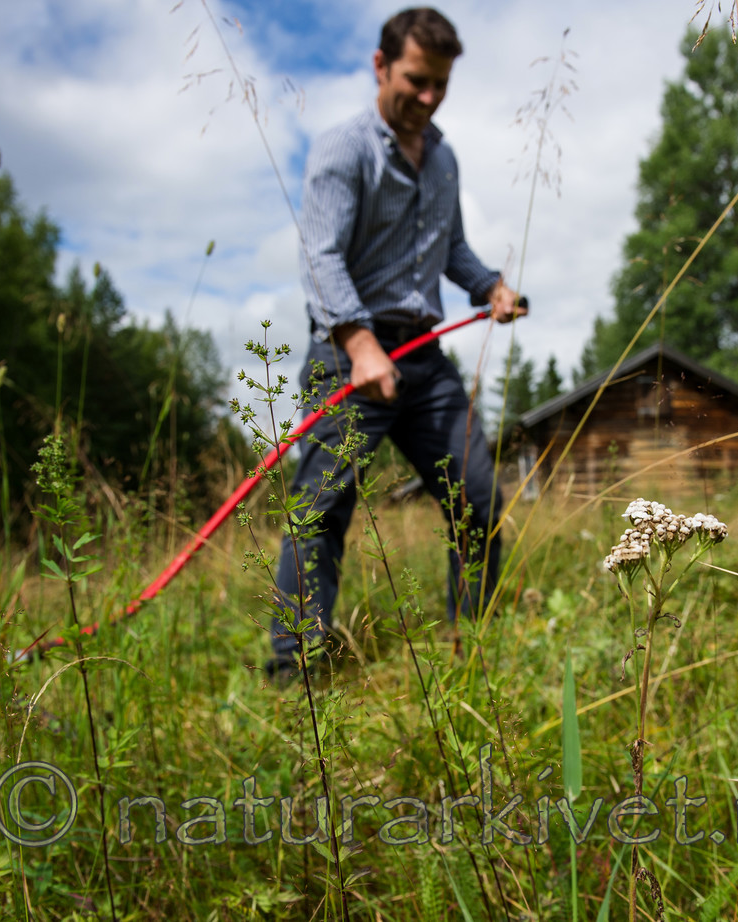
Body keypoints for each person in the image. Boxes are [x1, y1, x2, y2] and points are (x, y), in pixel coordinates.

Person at [269, 7, 526, 679]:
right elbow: (320, 255)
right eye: (416, 80)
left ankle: (473, 645)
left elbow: (452, 249)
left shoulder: (444, 160)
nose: (429, 96)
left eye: (441, 83)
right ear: (381, 66)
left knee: (477, 498)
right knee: (320, 509)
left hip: (424, 360)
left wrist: (491, 286)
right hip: (346, 354)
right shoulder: (344, 148)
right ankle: (295, 672)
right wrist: (360, 344)